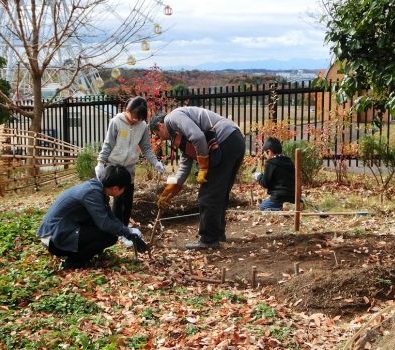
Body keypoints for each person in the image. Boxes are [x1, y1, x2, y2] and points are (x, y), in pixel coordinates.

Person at [149, 107, 245, 250]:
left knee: (207, 195)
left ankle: (208, 239)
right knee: (219, 192)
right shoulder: (179, 133)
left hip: (224, 141)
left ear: (160, 125)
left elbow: (198, 137)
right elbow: (185, 165)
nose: (161, 139)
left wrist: (203, 165)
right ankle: (217, 234)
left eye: (158, 135)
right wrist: (170, 192)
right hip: (234, 140)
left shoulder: (173, 117)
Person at [37, 164, 149, 270]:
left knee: (106, 231)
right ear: (115, 188)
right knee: (109, 236)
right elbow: (104, 223)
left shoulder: (97, 188)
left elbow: (109, 216)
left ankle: (78, 254)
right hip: (54, 237)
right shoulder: (92, 193)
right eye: (123, 188)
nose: (124, 191)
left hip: (61, 231)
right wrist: (127, 231)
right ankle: (73, 262)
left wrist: (128, 232)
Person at [95, 96, 165, 228]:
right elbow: (108, 144)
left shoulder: (143, 126)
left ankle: (124, 228)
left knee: (127, 201)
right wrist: (100, 162)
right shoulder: (116, 122)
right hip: (114, 167)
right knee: (116, 199)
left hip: (129, 169)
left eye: (139, 118)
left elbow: (146, 148)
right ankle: (115, 229)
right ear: (127, 110)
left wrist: (156, 162)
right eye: (134, 116)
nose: (135, 120)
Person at [253, 137, 295, 211]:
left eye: (265, 153)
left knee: (263, 206)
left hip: (279, 197)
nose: (265, 156)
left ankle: (282, 209)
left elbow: (265, 183)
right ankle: (291, 206)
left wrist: (258, 176)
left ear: (269, 152)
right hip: (294, 196)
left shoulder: (270, 163)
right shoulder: (288, 161)